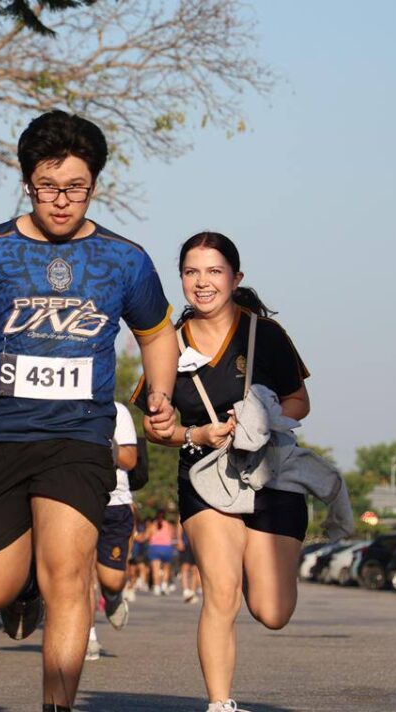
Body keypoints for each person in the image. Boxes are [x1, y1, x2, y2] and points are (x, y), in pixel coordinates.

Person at [0, 110, 178, 712]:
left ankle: (57, 705)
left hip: (77, 439)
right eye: (49, 187)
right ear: (28, 182)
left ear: (94, 186)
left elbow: (158, 333)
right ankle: (21, 586)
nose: (62, 201)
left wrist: (158, 391)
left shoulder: (123, 260)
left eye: (76, 188)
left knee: (70, 576)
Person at [134, 231, 310, 712]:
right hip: (205, 477)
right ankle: (219, 703)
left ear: (236, 278)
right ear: (182, 280)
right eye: (192, 272)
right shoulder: (166, 343)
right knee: (221, 592)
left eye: (214, 272)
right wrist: (194, 435)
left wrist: (263, 416)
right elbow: (157, 428)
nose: (202, 282)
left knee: (272, 612)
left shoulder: (265, 335)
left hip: (273, 476)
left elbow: (301, 402)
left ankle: (262, 565)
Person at [86, 402, 138, 662]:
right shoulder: (63, 407)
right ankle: (88, 635)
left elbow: (129, 459)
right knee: (81, 574)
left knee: (111, 579)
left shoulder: (118, 411)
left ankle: (113, 593)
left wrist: (99, 441)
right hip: (78, 500)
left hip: (114, 505)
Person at [146, 510, 176, 595]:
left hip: (155, 548)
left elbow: (146, 536)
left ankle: (157, 587)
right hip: (166, 548)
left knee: (156, 569)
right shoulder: (169, 525)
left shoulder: (152, 525)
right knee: (166, 568)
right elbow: (173, 535)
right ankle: (164, 585)